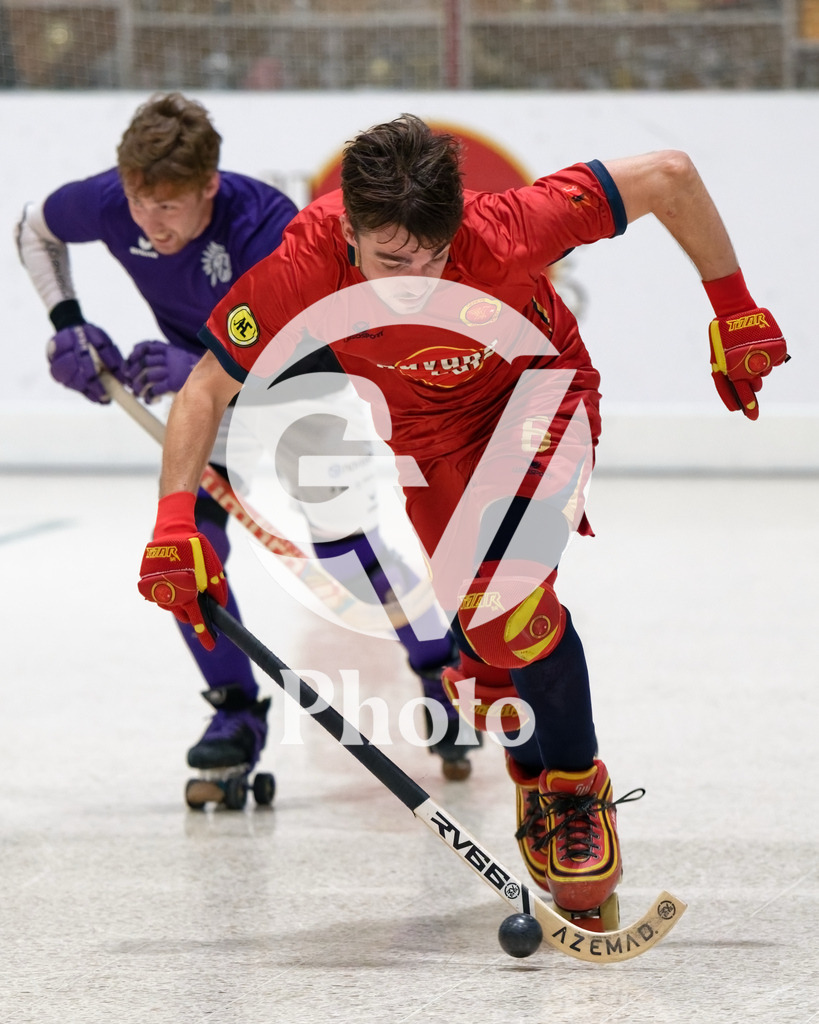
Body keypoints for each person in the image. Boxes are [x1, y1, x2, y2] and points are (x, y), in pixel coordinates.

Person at [136, 113, 787, 924]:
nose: (417, 283)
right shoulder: (304, 260)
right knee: (486, 640)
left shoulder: (509, 227)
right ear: (349, 230)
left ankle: (578, 790)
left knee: (501, 601)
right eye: (390, 261)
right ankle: (530, 776)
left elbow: (670, 174)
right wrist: (173, 522)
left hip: (541, 401)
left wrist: (734, 307)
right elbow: (204, 387)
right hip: (426, 444)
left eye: (434, 258)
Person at [16, 96, 474, 805]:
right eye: (140, 202)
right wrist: (67, 324)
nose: (150, 222)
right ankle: (234, 710)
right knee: (187, 546)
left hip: (303, 385)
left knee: (346, 550)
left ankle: (435, 664)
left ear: (210, 185)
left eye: (169, 206)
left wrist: (186, 359)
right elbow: (31, 229)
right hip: (207, 390)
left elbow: (321, 347)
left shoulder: (267, 227)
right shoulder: (113, 202)